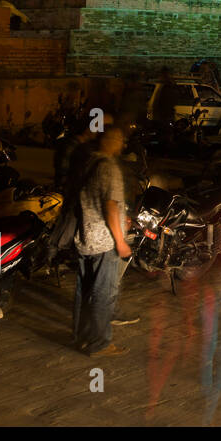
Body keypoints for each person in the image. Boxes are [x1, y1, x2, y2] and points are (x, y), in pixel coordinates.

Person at [72, 124, 134, 356]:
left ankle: (81, 337)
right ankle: (99, 344)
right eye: (120, 139)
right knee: (103, 294)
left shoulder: (88, 162)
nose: (123, 144)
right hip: (104, 241)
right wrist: (120, 241)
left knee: (85, 291)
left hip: (84, 237)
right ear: (111, 141)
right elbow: (110, 206)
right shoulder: (109, 168)